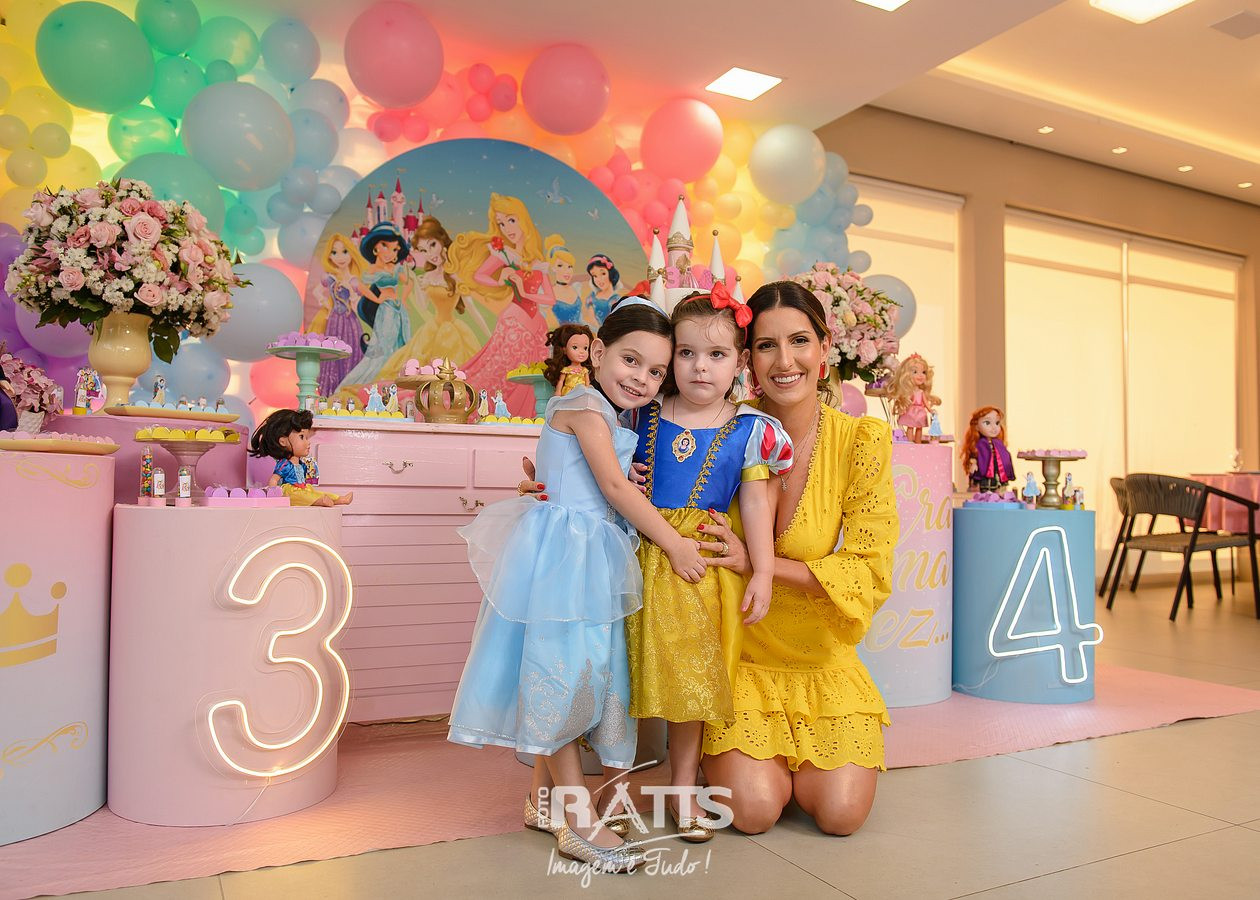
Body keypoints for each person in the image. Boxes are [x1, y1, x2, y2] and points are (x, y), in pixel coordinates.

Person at [448, 298, 704, 872]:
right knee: (562, 677)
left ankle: (541, 802)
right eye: (631, 360)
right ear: (598, 352)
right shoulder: (585, 404)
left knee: (576, 671)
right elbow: (612, 488)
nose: (641, 378)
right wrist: (674, 543)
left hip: (588, 555)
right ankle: (577, 821)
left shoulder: (604, 414)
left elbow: (592, 473)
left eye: (655, 371)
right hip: (568, 556)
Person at [695, 280, 898, 836]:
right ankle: (727, 761)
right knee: (754, 811)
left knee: (840, 815)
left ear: (825, 348)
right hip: (742, 656)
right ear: (748, 359)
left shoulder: (861, 441)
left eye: (799, 341)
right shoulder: (721, 429)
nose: (785, 361)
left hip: (821, 661)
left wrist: (757, 564)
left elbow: (868, 568)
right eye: (766, 345)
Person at [627, 287, 793, 842]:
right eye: (687, 353)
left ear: (740, 361)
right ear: (670, 356)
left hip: (700, 568)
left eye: (717, 354)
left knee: (691, 678)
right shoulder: (640, 414)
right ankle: (610, 780)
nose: (701, 367)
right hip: (633, 553)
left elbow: (755, 504)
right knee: (619, 668)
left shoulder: (749, 429)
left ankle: (681, 786)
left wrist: (762, 570)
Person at [449, 194, 556, 417]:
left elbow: (550, 298)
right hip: (515, 322)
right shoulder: (505, 256)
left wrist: (526, 292)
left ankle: (529, 417)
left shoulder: (539, 263)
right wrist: (500, 279)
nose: (507, 229)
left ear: (523, 220)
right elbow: (480, 275)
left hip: (537, 326)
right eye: (501, 224)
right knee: (502, 372)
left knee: (535, 374)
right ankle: (493, 413)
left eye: (511, 220)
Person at [380, 215, 486, 378]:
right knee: (418, 370)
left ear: (442, 241)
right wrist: (417, 284)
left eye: (432, 245)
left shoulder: (456, 275)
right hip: (431, 330)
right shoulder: (428, 276)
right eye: (423, 250)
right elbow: (423, 306)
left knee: (453, 371)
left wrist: (490, 336)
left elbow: (472, 309)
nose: (430, 254)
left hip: (453, 331)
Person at [341, 224, 413, 387]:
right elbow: (359, 285)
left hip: (399, 309)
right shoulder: (373, 269)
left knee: (401, 340)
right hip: (386, 309)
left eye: (395, 249)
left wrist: (404, 299)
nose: (390, 253)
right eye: (385, 246)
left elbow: (408, 283)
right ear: (375, 248)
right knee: (385, 343)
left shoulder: (395, 268)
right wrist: (377, 299)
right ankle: (379, 379)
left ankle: (396, 377)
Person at [248, 408, 353, 507]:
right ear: (283, 442)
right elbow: (274, 480)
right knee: (300, 496)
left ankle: (339, 499)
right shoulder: (285, 464)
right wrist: (274, 494)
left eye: (307, 438)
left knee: (315, 493)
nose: (308, 442)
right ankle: (319, 501)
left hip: (303, 488)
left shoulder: (301, 464)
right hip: (290, 491)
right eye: (302, 437)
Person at [309, 233, 368, 396]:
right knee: (334, 354)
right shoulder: (329, 278)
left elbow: (357, 305)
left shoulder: (354, 280)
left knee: (352, 352)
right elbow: (317, 292)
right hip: (334, 322)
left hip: (351, 323)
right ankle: (331, 393)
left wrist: (352, 293)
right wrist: (327, 305)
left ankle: (349, 391)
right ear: (329, 256)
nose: (340, 257)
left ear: (351, 253)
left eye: (345, 251)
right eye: (334, 252)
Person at [962, 406, 1014, 493]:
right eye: (987, 423)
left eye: (997, 423)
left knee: (996, 485)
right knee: (985, 485)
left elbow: (1004, 456)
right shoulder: (980, 444)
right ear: (977, 426)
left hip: (997, 469)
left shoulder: (999, 443)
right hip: (984, 470)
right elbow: (974, 454)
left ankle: (996, 493)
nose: (994, 427)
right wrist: (973, 463)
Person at [543, 323, 594, 397]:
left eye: (585, 348)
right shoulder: (566, 370)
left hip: (582, 394)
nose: (581, 352)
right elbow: (561, 381)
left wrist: (588, 392)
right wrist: (558, 391)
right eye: (575, 347)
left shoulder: (584, 370)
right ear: (564, 350)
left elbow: (587, 383)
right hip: (568, 393)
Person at [584, 253, 622, 326]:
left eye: (603, 273)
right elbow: (591, 320)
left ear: (610, 273)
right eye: (595, 276)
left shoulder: (616, 300)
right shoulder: (591, 298)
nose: (599, 279)